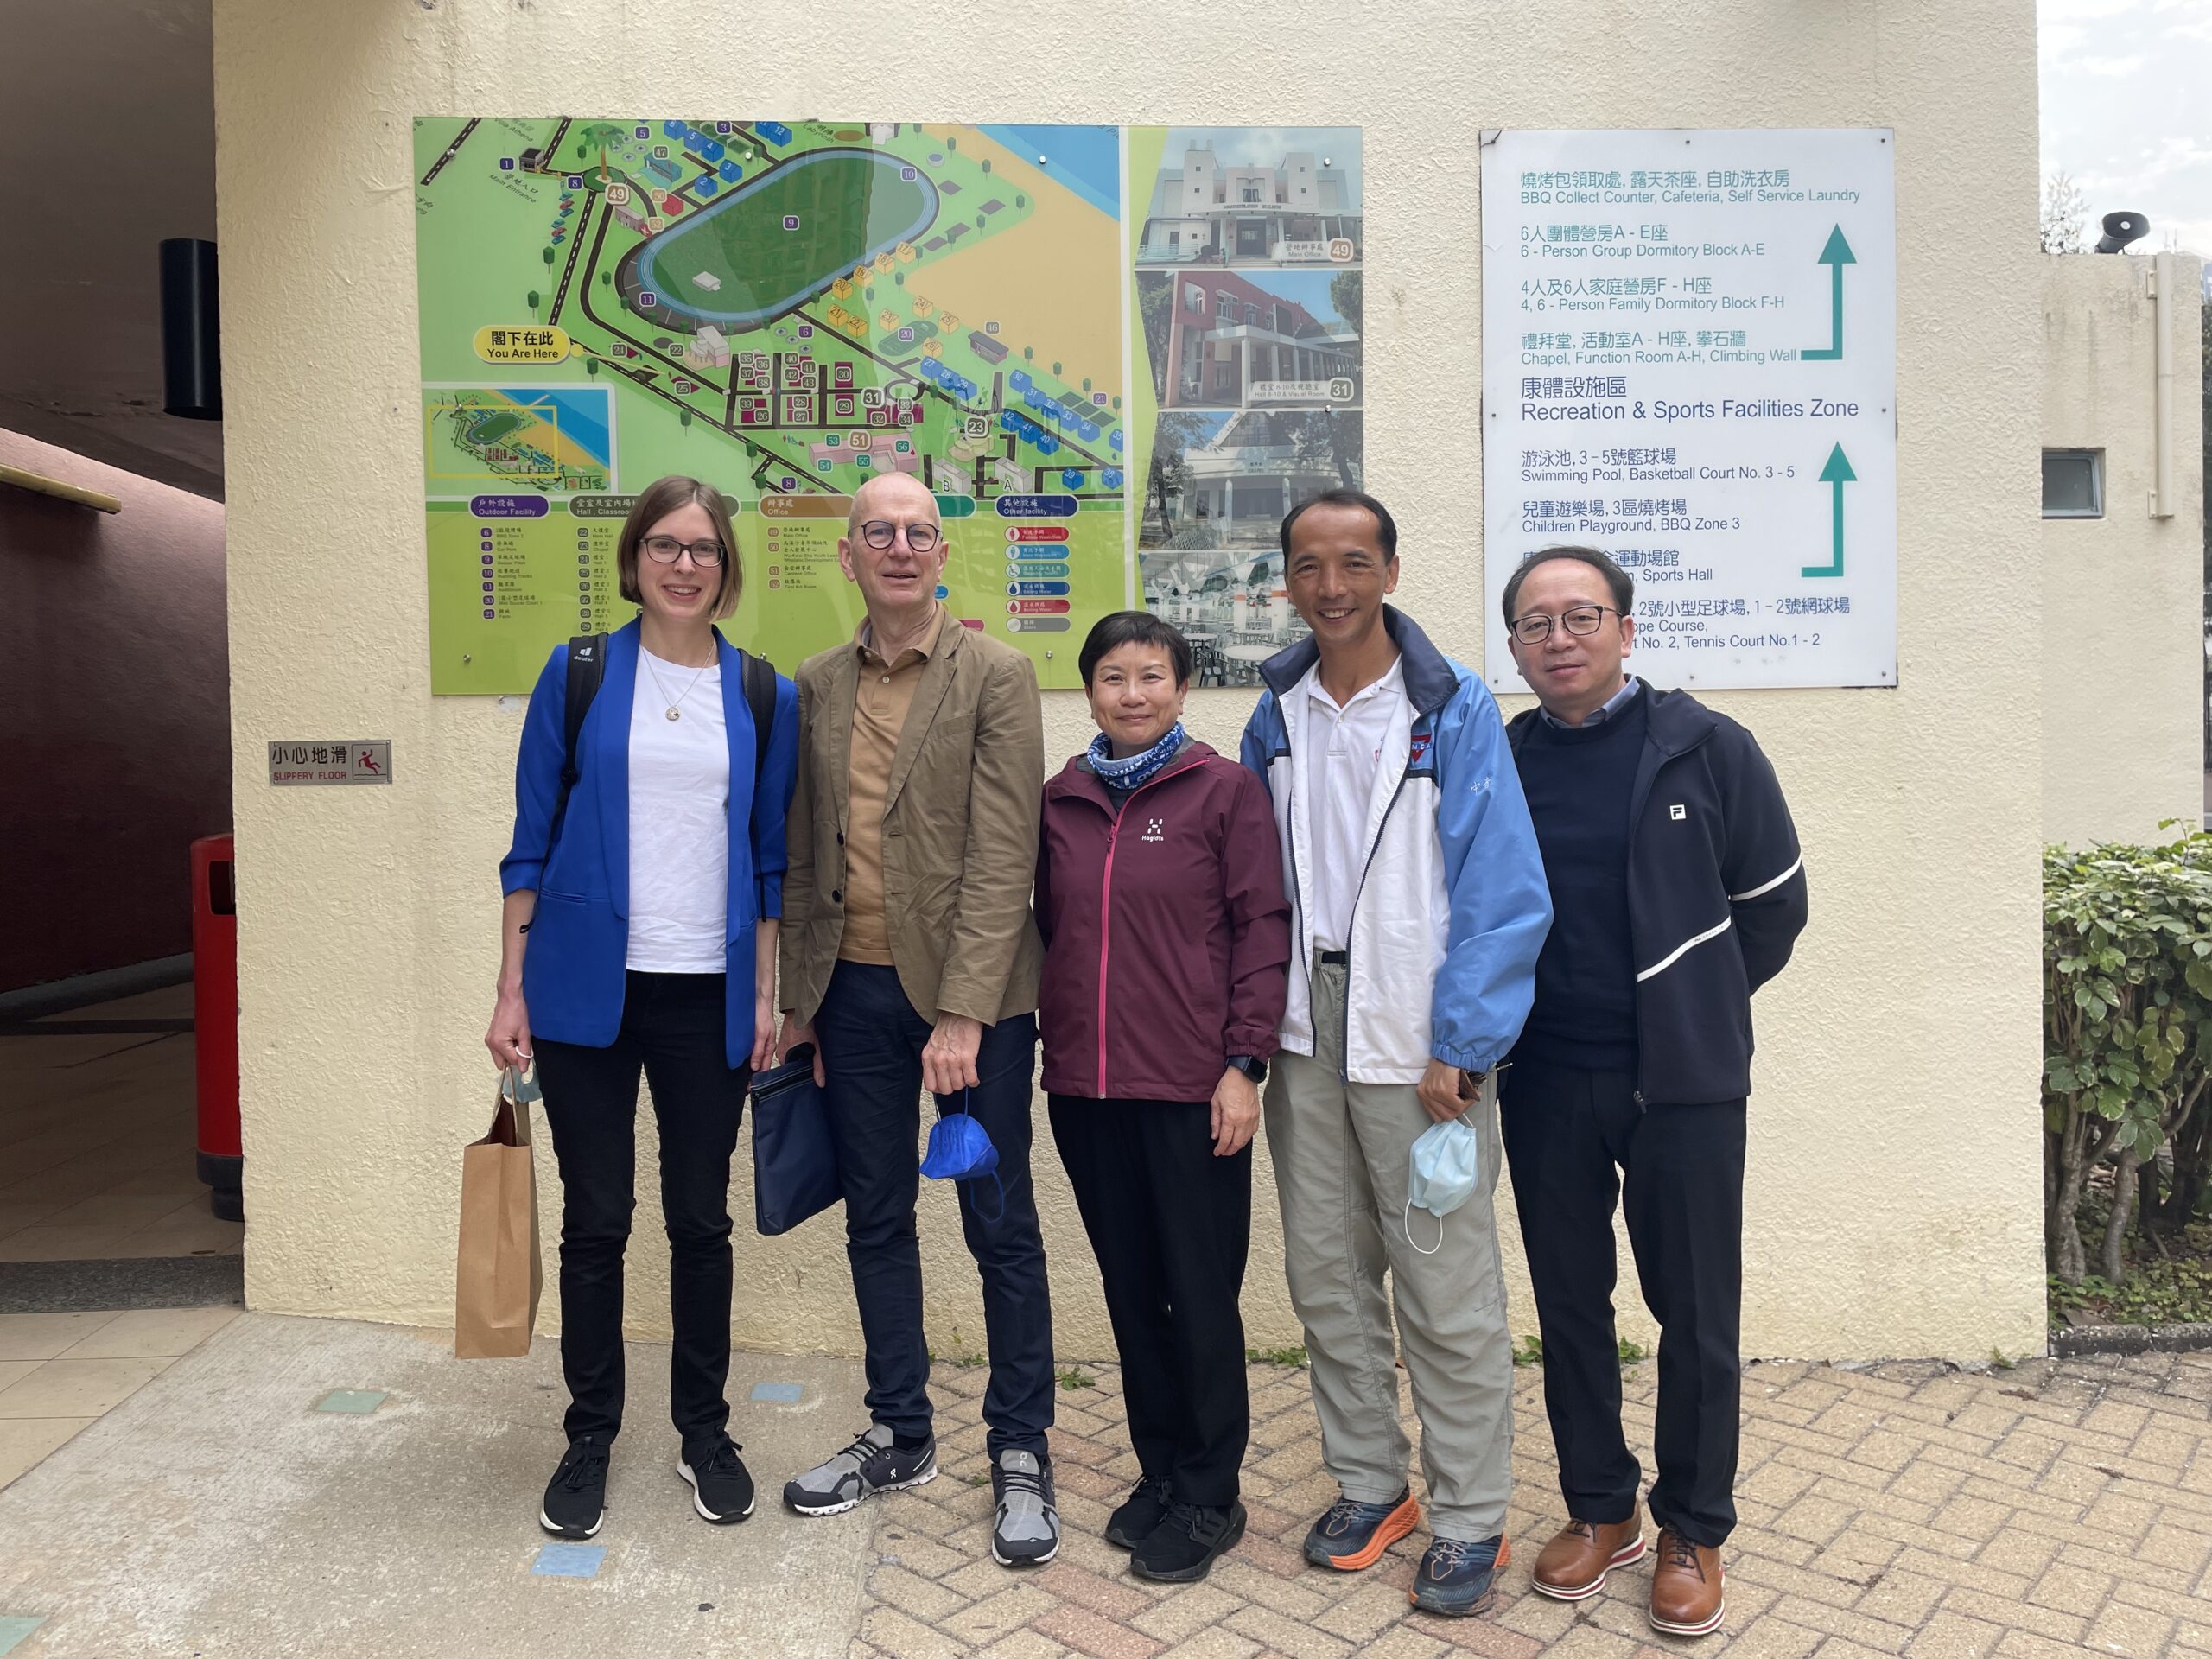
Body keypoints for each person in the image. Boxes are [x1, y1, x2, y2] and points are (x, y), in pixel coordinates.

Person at [1240, 489, 1552, 1618]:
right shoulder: (1276, 712)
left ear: (1391, 571)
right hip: (1305, 1027)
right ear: (1288, 580)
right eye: (1311, 565)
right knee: (1326, 1275)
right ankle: (1374, 1487)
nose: (1333, 585)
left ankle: (1470, 1514)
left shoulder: (1450, 708)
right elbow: (1254, 886)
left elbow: (1504, 892)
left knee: (1444, 1285)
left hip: (1420, 1036)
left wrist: (1463, 1043)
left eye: (1355, 561)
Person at [1499, 545, 1806, 1639]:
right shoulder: (1505, 757)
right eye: (1535, 625)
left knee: (1694, 1312)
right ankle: (1599, 1509)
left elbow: (1772, 907)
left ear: (1627, 631)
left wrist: (1692, 1005)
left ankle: (1692, 1525)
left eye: (1581, 616)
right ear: (1516, 650)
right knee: (1570, 1305)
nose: (1559, 638)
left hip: (1683, 1083)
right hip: (1543, 1076)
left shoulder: (1708, 749)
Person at [487, 474, 798, 1541]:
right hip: (582, 994)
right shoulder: (577, 674)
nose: (682, 563)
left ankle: (703, 1432)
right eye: (664, 545)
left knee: (699, 1220)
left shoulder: (761, 692)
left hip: (704, 995)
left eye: (703, 547)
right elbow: (526, 845)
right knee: (597, 1221)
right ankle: (589, 1436)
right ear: (634, 559)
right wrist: (508, 988)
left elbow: (768, 862)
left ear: (726, 566)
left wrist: (765, 995)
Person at [772, 473, 1058, 1567]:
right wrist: (799, 1006)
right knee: (876, 1220)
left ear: (944, 555)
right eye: (877, 532)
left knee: (1000, 1226)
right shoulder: (814, 684)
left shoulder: (994, 673)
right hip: (850, 996)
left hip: (971, 1008)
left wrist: (962, 1015)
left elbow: (1003, 857)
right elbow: (804, 857)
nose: (899, 546)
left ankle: (1021, 1446)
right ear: (847, 555)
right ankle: (900, 1429)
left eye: (919, 532)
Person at [1036, 612, 1291, 1584]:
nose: (1132, 693)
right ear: (1089, 690)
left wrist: (1245, 1065)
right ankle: (1160, 1473)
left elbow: (1260, 929)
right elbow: (1047, 930)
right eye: (1112, 677)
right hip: (1087, 1091)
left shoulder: (1221, 792)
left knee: (1201, 1295)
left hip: (1193, 1091)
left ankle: (1211, 1493)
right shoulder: (1062, 799)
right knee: (1132, 1294)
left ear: (1182, 689)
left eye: (1151, 676)